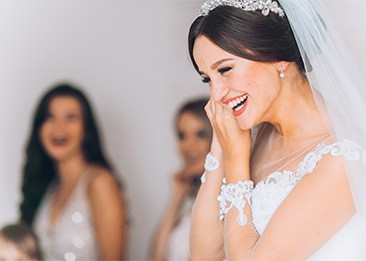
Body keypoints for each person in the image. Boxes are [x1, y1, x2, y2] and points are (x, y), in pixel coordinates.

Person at [188, 0, 366, 260]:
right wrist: (221, 146)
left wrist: (237, 162)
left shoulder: (341, 159)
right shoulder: (255, 136)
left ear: (277, 58)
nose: (216, 94)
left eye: (225, 69)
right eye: (207, 79)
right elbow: (203, 256)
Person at [19, 83, 128, 260]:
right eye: (50, 117)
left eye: (70, 118)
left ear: (86, 129)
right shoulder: (49, 187)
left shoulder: (99, 182)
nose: (59, 127)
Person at [149, 98, 212, 261]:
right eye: (182, 136)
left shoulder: (231, 197)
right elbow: (155, 257)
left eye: (201, 134)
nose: (189, 146)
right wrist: (176, 197)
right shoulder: (188, 197)